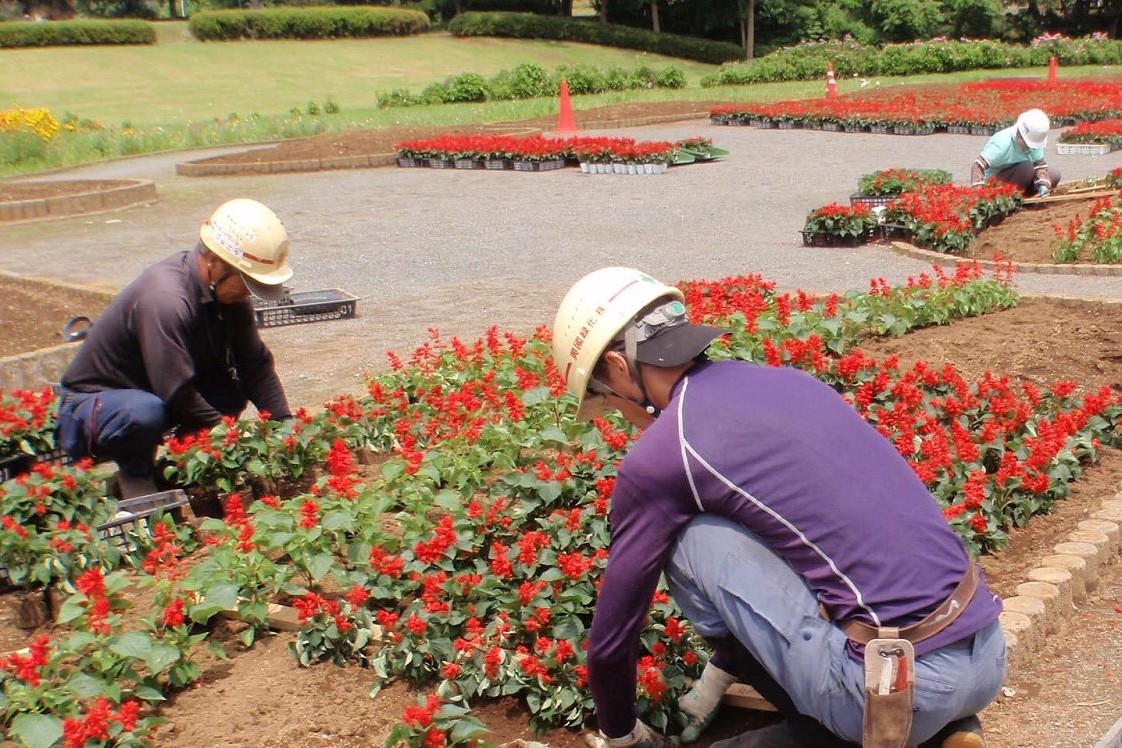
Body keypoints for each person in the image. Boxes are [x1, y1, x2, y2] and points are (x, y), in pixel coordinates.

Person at [552, 267, 1006, 748]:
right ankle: (949, 730)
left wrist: (621, 736)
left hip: (898, 689)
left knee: (689, 539)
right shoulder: (788, 383)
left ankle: (865, 730)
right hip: (985, 648)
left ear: (621, 370)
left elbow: (610, 642)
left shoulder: (667, 451)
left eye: (606, 400)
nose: (617, 416)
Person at [57, 198, 294, 499]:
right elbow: (176, 390)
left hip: (152, 391)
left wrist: (284, 425)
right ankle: (135, 479)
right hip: (95, 407)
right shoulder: (166, 299)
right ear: (216, 263)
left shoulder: (229, 298)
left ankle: (176, 472)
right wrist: (232, 438)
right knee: (144, 412)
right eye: (246, 282)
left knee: (229, 391)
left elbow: (255, 366)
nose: (249, 293)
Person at [970, 108, 1060, 197]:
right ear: (1019, 135)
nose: (1030, 147)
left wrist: (1043, 185)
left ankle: (1026, 196)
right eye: (1027, 144)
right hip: (994, 180)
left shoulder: (1034, 143)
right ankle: (1007, 196)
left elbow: (1039, 165)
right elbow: (978, 165)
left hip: (1019, 177)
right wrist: (978, 192)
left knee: (1054, 174)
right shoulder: (1002, 144)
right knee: (1027, 168)